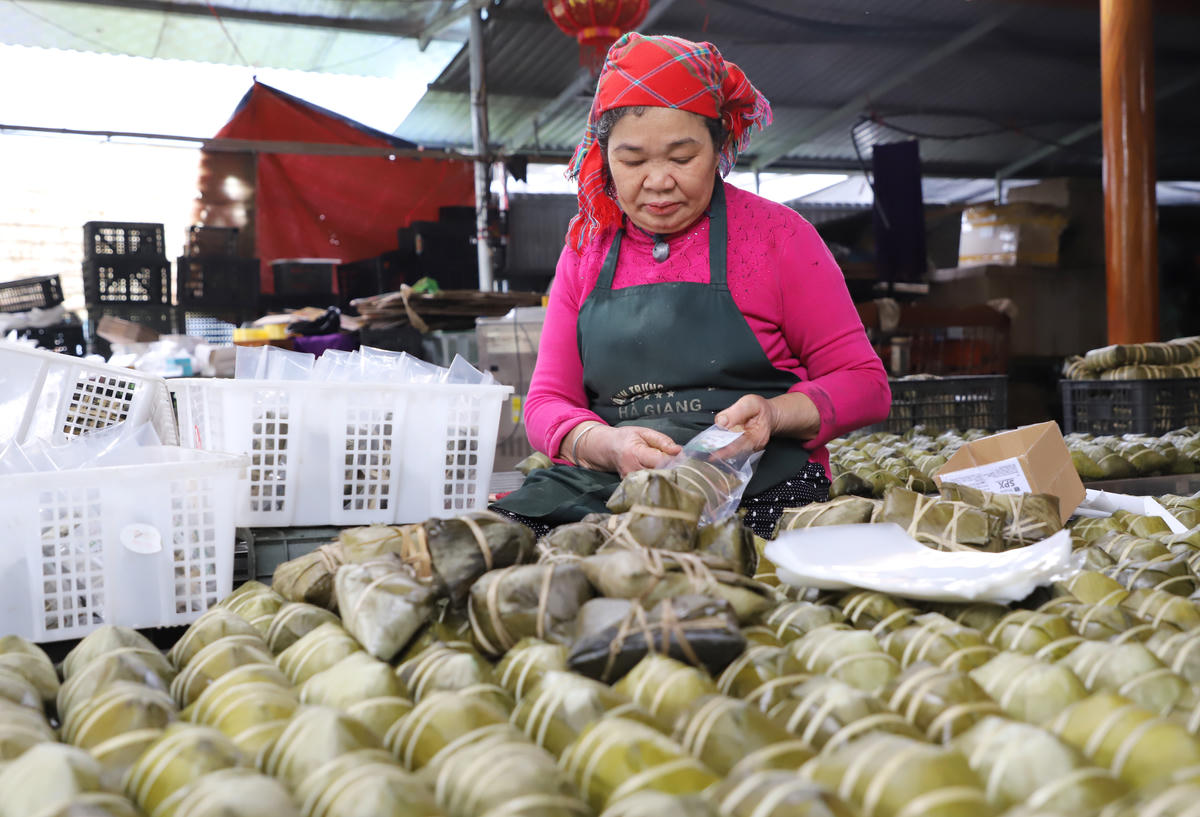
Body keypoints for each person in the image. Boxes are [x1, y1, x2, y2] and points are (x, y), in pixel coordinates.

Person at [492, 33, 890, 539]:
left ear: (719, 147)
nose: (658, 181)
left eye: (681, 157)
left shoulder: (779, 238)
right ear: (604, 154)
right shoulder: (586, 251)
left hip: (763, 482)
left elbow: (865, 384)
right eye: (633, 161)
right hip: (610, 482)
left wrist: (772, 414)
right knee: (496, 544)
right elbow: (547, 403)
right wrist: (606, 444)